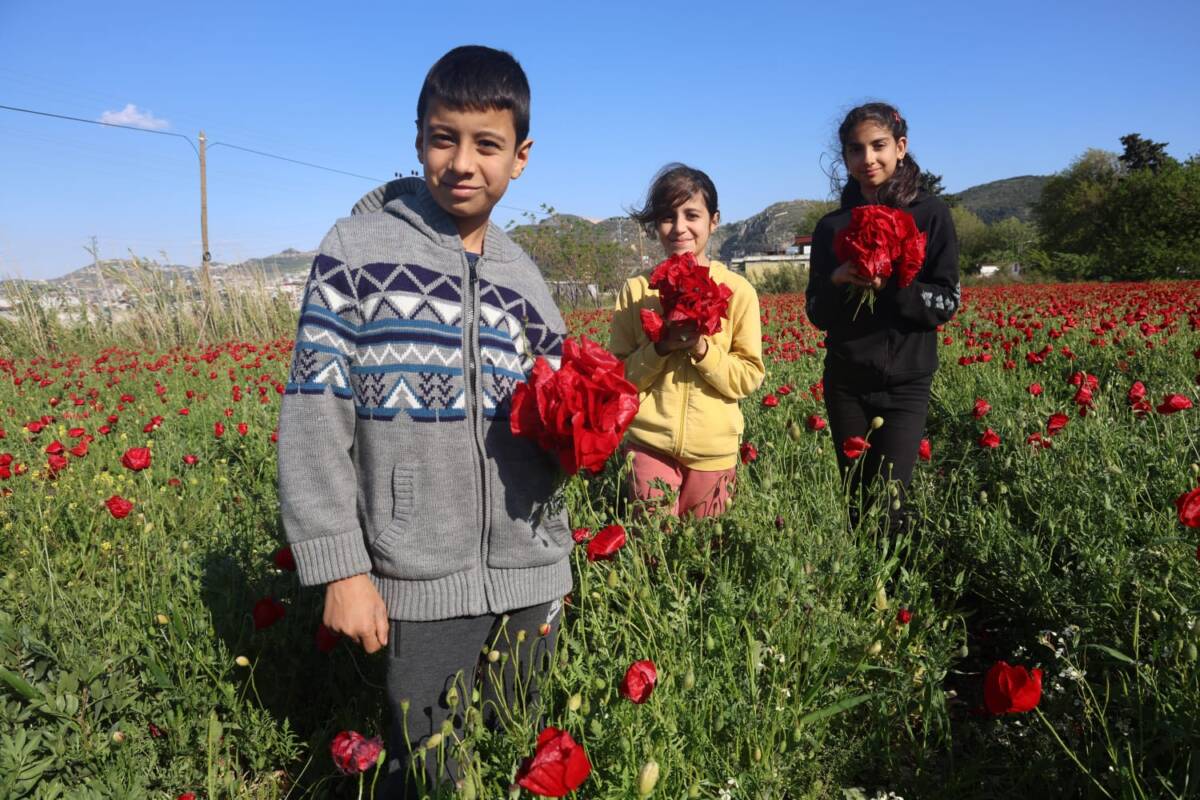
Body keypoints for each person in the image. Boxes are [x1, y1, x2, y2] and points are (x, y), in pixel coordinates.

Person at [276, 45, 570, 797]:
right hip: (418, 573)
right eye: (445, 138)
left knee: (519, 754)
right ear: (418, 140)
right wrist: (342, 567)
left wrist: (592, 434)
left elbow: (563, 415)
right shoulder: (356, 252)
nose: (463, 163)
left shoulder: (525, 277)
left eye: (487, 144)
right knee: (431, 763)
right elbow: (313, 417)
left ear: (521, 157)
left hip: (530, 569)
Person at [805, 101, 960, 534]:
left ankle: (897, 575)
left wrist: (892, 284)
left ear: (900, 147)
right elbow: (816, 311)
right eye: (856, 150)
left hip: (907, 382)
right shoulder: (832, 227)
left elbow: (947, 301)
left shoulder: (930, 214)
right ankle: (863, 575)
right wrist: (837, 279)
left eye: (878, 146)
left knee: (891, 503)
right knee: (857, 501)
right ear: (845, 157)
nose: (868, 158)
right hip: (845, 381)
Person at [608, 164, 765, 519]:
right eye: (667, 217)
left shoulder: (738, 291)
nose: (679, 227)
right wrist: (660, 347)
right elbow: (617, 378)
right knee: (652, 543)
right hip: (649, 443)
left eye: (692, 215)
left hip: (713, 451)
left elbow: (749, 376)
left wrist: (701, 349)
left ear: (714, 220)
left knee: (704, 547)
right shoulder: (637, 291)